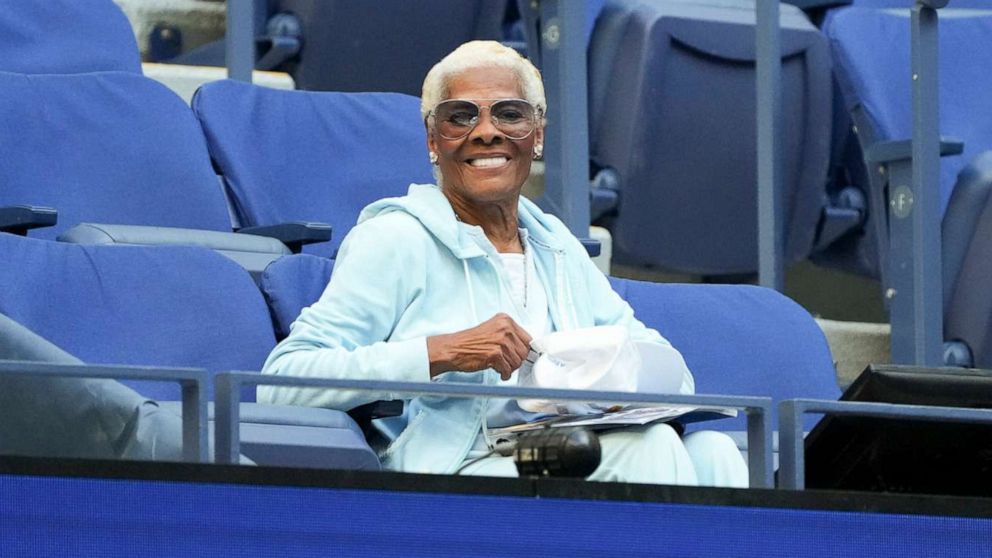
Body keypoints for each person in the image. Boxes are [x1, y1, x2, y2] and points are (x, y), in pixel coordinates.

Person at [259, 40, 748, 486]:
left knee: (715, 450)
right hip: (458, 466)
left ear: (536, 135)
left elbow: (660, 362)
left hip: (564, 447)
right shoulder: (395, 237)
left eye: (509, 114)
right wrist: (439, 352)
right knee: (649, 449)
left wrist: (614, 376)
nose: (486, 132)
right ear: (433, 141)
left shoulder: (555, 245)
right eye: (460, 116)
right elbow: (283, 383)